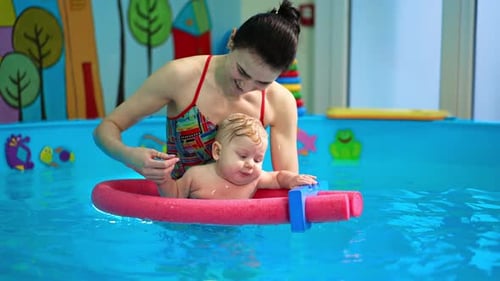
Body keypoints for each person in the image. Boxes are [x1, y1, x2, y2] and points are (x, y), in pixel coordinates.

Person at [93, 0, 301, 188]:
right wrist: (130, 156)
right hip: (179, 215)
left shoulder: (279, 102)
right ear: (232, 40)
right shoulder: (180, 77)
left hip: (240, 220)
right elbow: (106, 128)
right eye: (242, 71)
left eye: (262, 82)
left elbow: (289, 182)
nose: (246, 87)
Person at [158, 113, 317, 199]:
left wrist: (292, 180)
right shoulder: (196, 176)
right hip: (198, 234)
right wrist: (163, 178)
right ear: (218, 152)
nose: (250, 164)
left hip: (236, 236)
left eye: (257, 159)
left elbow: (277, 178)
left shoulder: (255, 179)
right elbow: (174, 195)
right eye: (242, 156)